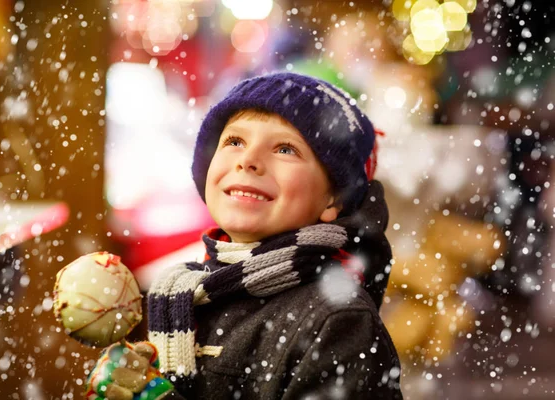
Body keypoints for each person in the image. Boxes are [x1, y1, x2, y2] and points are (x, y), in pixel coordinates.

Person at [86, 72, 403, 399]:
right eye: (235, 141)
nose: (248, 160)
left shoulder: (339, 320)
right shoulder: (182, 294)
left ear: (332, 198)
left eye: (285, 149)